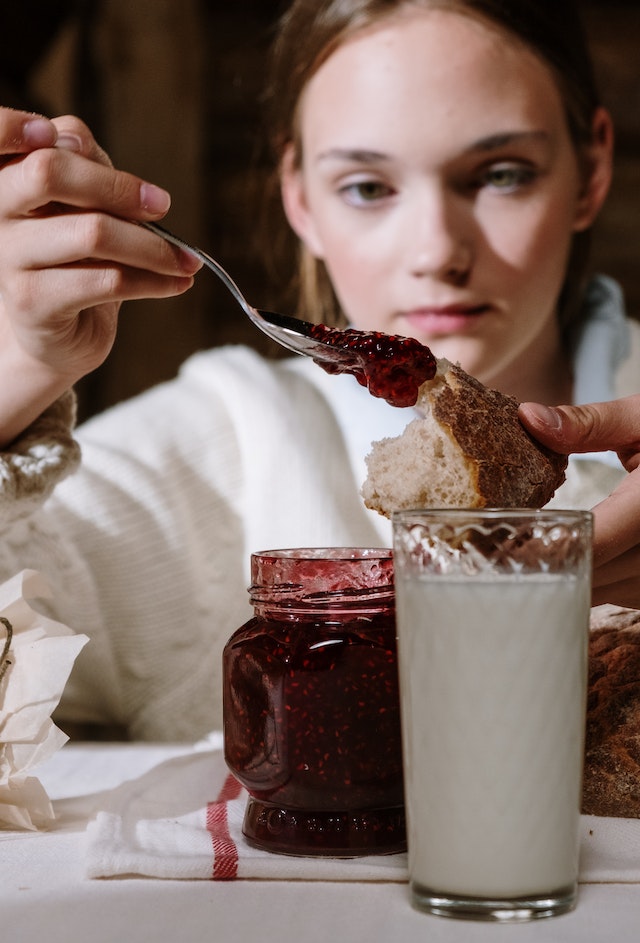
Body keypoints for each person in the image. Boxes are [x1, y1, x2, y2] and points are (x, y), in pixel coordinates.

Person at [0, 0, 638, 740]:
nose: (437, 251)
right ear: (298, 194)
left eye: (500, 174)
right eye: (367, 187)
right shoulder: (221, 448)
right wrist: (13, 376)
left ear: (591, 170)